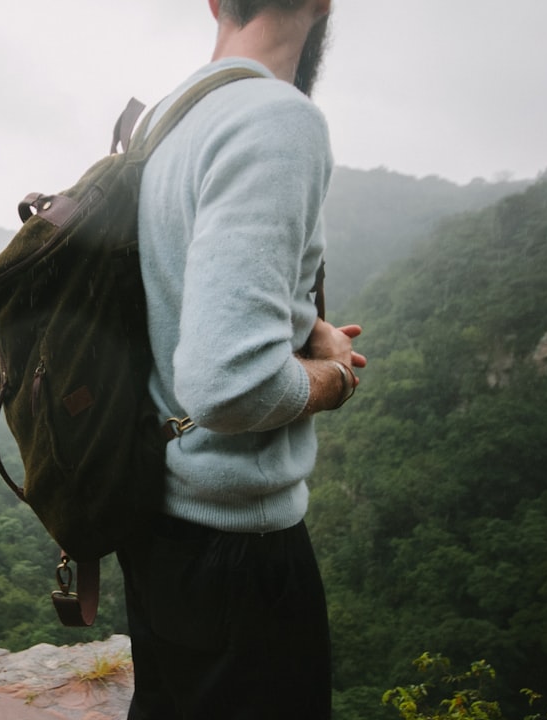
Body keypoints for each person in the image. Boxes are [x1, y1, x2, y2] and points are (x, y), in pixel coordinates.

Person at [116, 0, 366, 717]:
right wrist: (335, 378)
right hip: (240, 552)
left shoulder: (169, 119)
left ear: (215, 1)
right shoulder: (275, 118)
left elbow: (181, 293)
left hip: (160, 527)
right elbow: (229, 387)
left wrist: (307, 326)